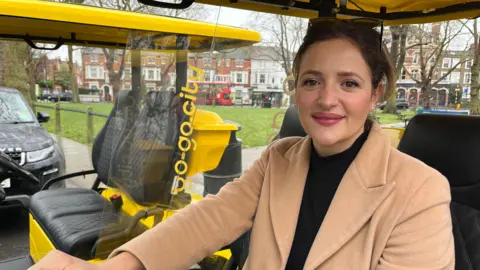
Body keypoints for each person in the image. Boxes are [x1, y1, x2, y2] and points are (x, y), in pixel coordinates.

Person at [29, 19, 454, 270]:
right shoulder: (279, 159)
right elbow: (207, 221)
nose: (327, 99)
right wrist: (120, 267)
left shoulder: (419, 191)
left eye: (349, 83)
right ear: (296, 90)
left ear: (375, 94)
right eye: (312, 81)